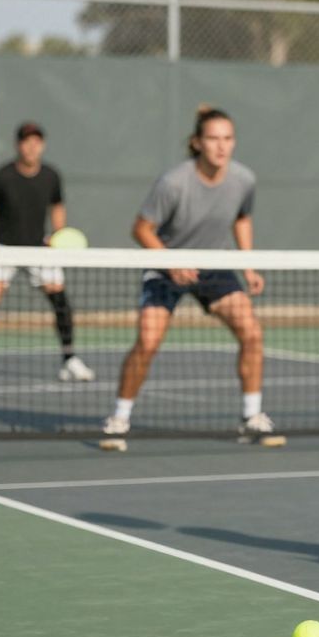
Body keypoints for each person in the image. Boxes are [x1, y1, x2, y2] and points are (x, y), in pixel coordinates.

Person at [102, 106, 274, 442]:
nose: (221, 146)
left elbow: (242, 218)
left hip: (213, 266)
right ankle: (119, 418)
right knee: (148, 342)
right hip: (166, 267)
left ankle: (252, 416)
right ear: (197, 143)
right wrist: (171, 264)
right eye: (213, 139)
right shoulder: (174, 183)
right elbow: (141, 229)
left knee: (252, 333)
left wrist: (248, 265)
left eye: (228, 138)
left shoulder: (244, 180)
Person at [0, 121, 96, 385]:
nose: (32, 146)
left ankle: (69, 359)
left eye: (36, 141)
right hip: (3, 249)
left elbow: (57, 207)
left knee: (61, 302)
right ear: (18, 145)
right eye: (26, 141)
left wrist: (58, 239)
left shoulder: (51, 176)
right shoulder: (2, 176)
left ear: (42, 145)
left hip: (39, 249)